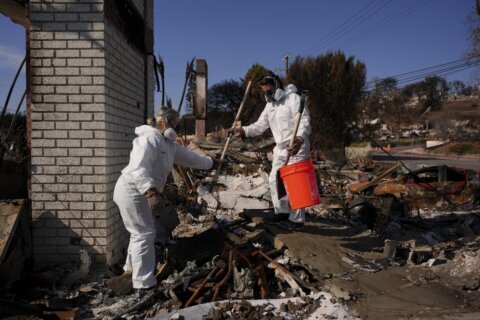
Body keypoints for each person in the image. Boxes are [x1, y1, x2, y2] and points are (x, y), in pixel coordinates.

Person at [113, 106, 220, 293]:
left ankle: (130, 270)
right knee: (144, 233)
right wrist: (151, 192)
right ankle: (143, 283)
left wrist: (211, 162)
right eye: (173, 122)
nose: (175, 127)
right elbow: (139, 168)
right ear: (162, 122)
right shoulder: (149, 139)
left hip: (142, 191)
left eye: (176, 123)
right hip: (132, 190)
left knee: (139, 231)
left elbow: (191, 159)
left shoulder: (169, 145)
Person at [233, 74, 311, 231]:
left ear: (277, 87)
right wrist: (243, 130)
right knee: (275, 179)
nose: (267, 94)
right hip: (281, 149)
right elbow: (260, 126)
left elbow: (304, 121)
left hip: (297, 147)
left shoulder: (293, 99)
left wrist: (299, 138)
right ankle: (282, 211)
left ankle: (297, 220)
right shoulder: (270, 106)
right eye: (265, 92)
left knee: (296, 183)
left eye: (269, 90)